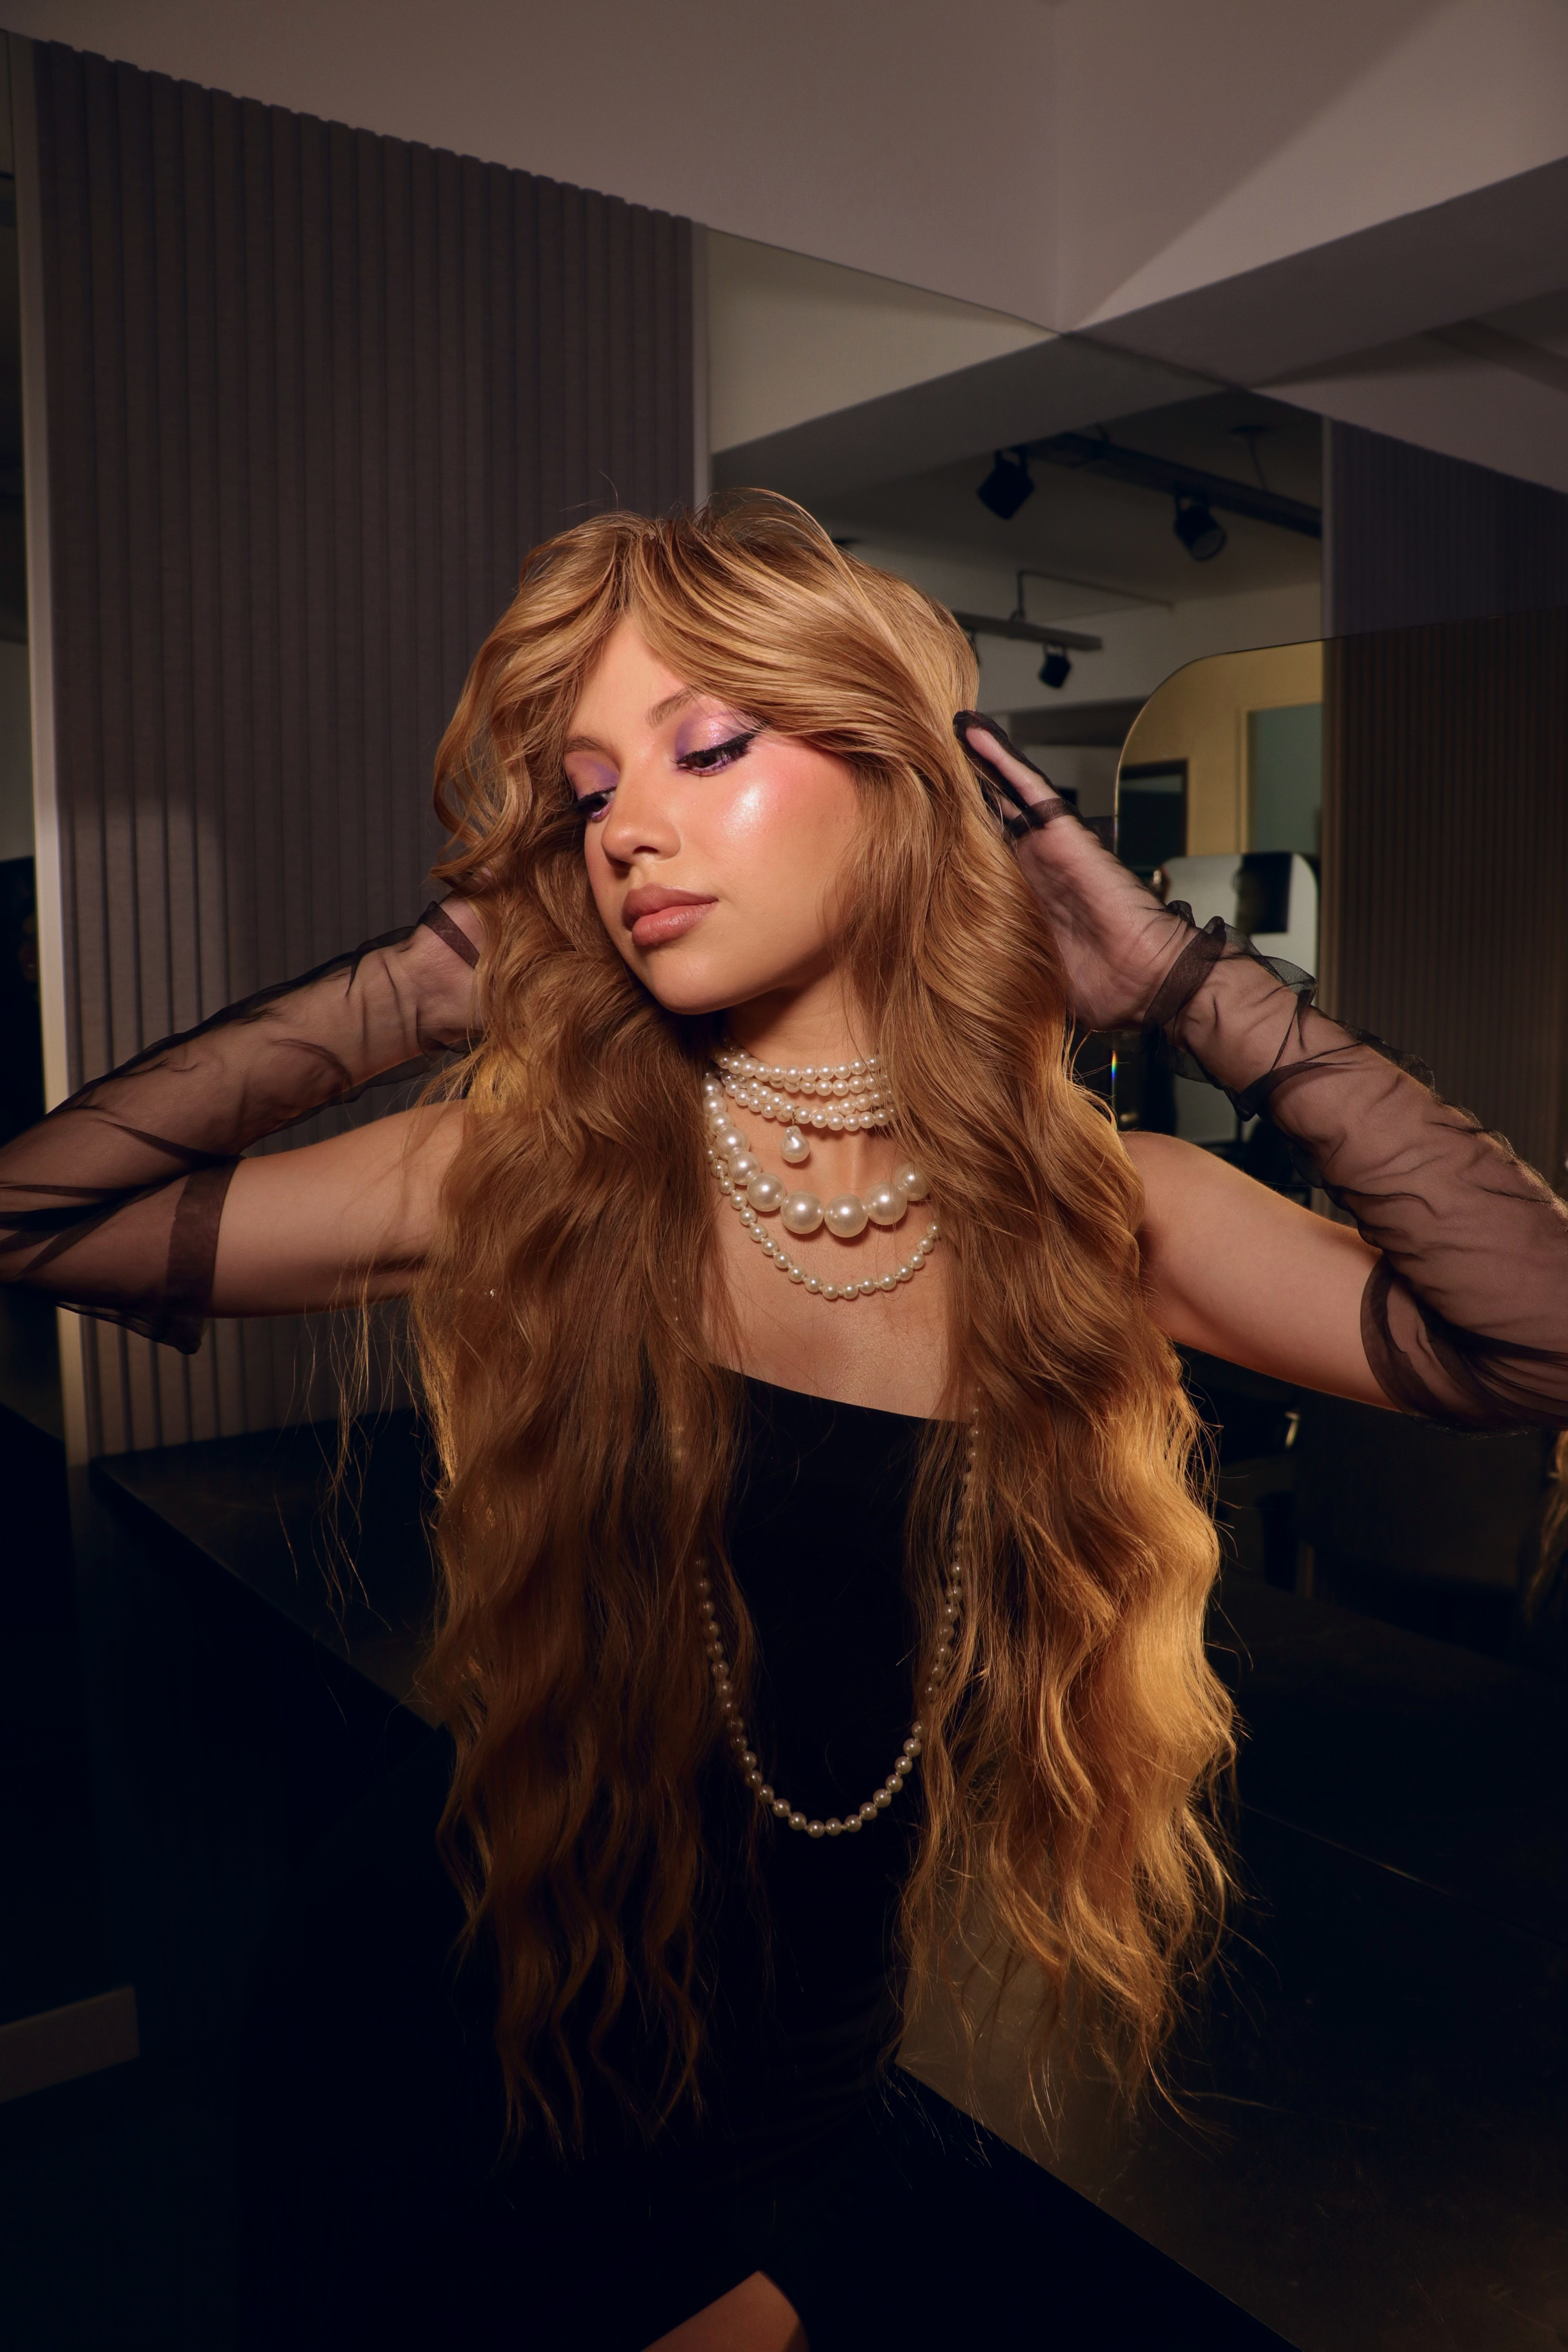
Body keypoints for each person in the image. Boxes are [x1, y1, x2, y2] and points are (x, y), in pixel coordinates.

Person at [3, 495, 1566, 2350]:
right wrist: (427, 980)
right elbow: (39, 1215)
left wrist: (1186, 984)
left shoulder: (1094, 1210)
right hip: (461, 2016)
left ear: (901, 780)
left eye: (706, 747)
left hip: (790, 2079)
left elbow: (1532, 1336)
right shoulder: (541, 1170)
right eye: (588, 792)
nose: (622, 831)